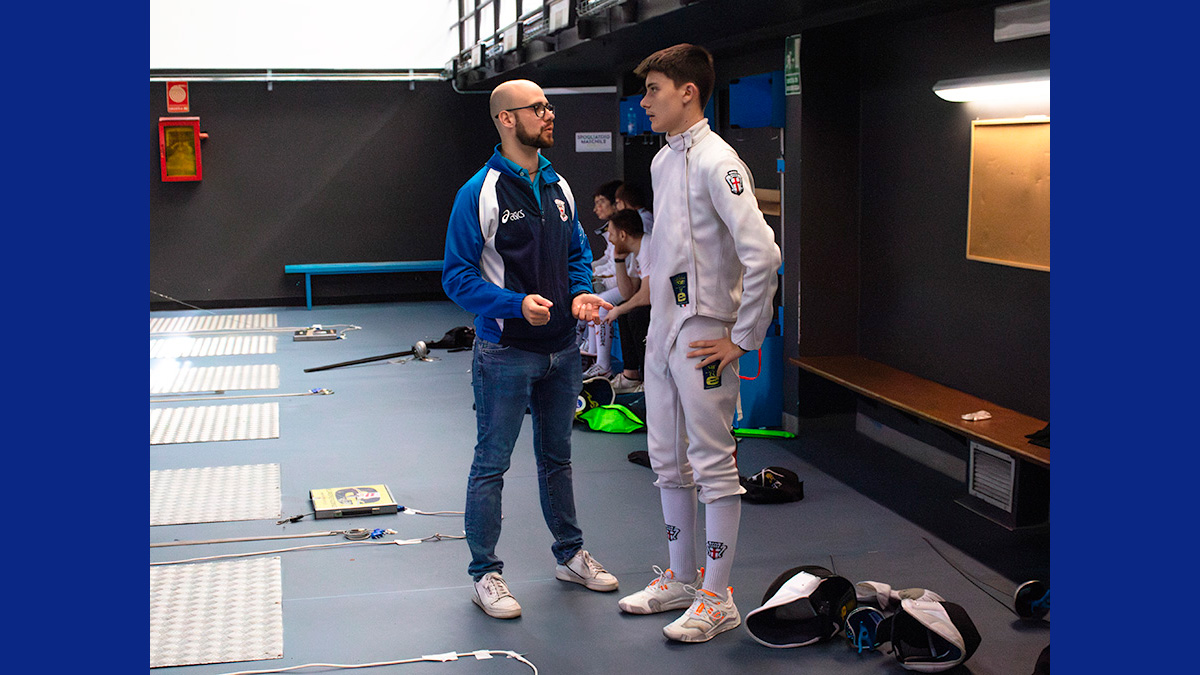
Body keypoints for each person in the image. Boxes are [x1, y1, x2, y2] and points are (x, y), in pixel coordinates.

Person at [615, 44, 781, 643]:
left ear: (688, 92)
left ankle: (718, 597)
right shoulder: (663, 161)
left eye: (653, 89)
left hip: (706, 331)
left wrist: (742, 337)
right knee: (666, 458)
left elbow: (764, 254)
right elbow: (665, 253)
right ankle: (683, 580)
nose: (644, 101)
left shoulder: (720, 161)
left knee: (712, 463)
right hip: (664, 329)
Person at [442, 78, 620, 620]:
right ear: (506, 119)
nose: (548, 114)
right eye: (537, 108)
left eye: (548, 106)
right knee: (491, 464)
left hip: (563, 351)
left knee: (557, 459)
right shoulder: (478, 193)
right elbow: (457, 277)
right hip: (505, 352)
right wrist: (515, 305)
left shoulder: (558, 185)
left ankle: (570, 555)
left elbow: (578, 253)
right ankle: (485, 575)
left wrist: (581, 290)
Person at [600, 209, 651, 394]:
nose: (610, 240)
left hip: (675, 306)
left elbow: (646, 295)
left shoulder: (648, 247)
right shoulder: (635, 252)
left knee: (635, 314)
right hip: (657, 303)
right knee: (625, 311)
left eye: (611, 234)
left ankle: (649, 379)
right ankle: (631, 376)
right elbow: (628, 293)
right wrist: (619, 261)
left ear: (622, 235)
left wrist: (618, 310)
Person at [581, 180, 625, 379]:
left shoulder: (628, 225)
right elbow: (609, 259)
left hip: (634, 285)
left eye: (601, 202)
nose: (596, 209)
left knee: (600, 304)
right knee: (585, 295)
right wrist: (588, 271)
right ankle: (590, 351)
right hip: (623, 281)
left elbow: (622, 268)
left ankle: (603, 365)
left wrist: (598, 278)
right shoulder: (614, 225)